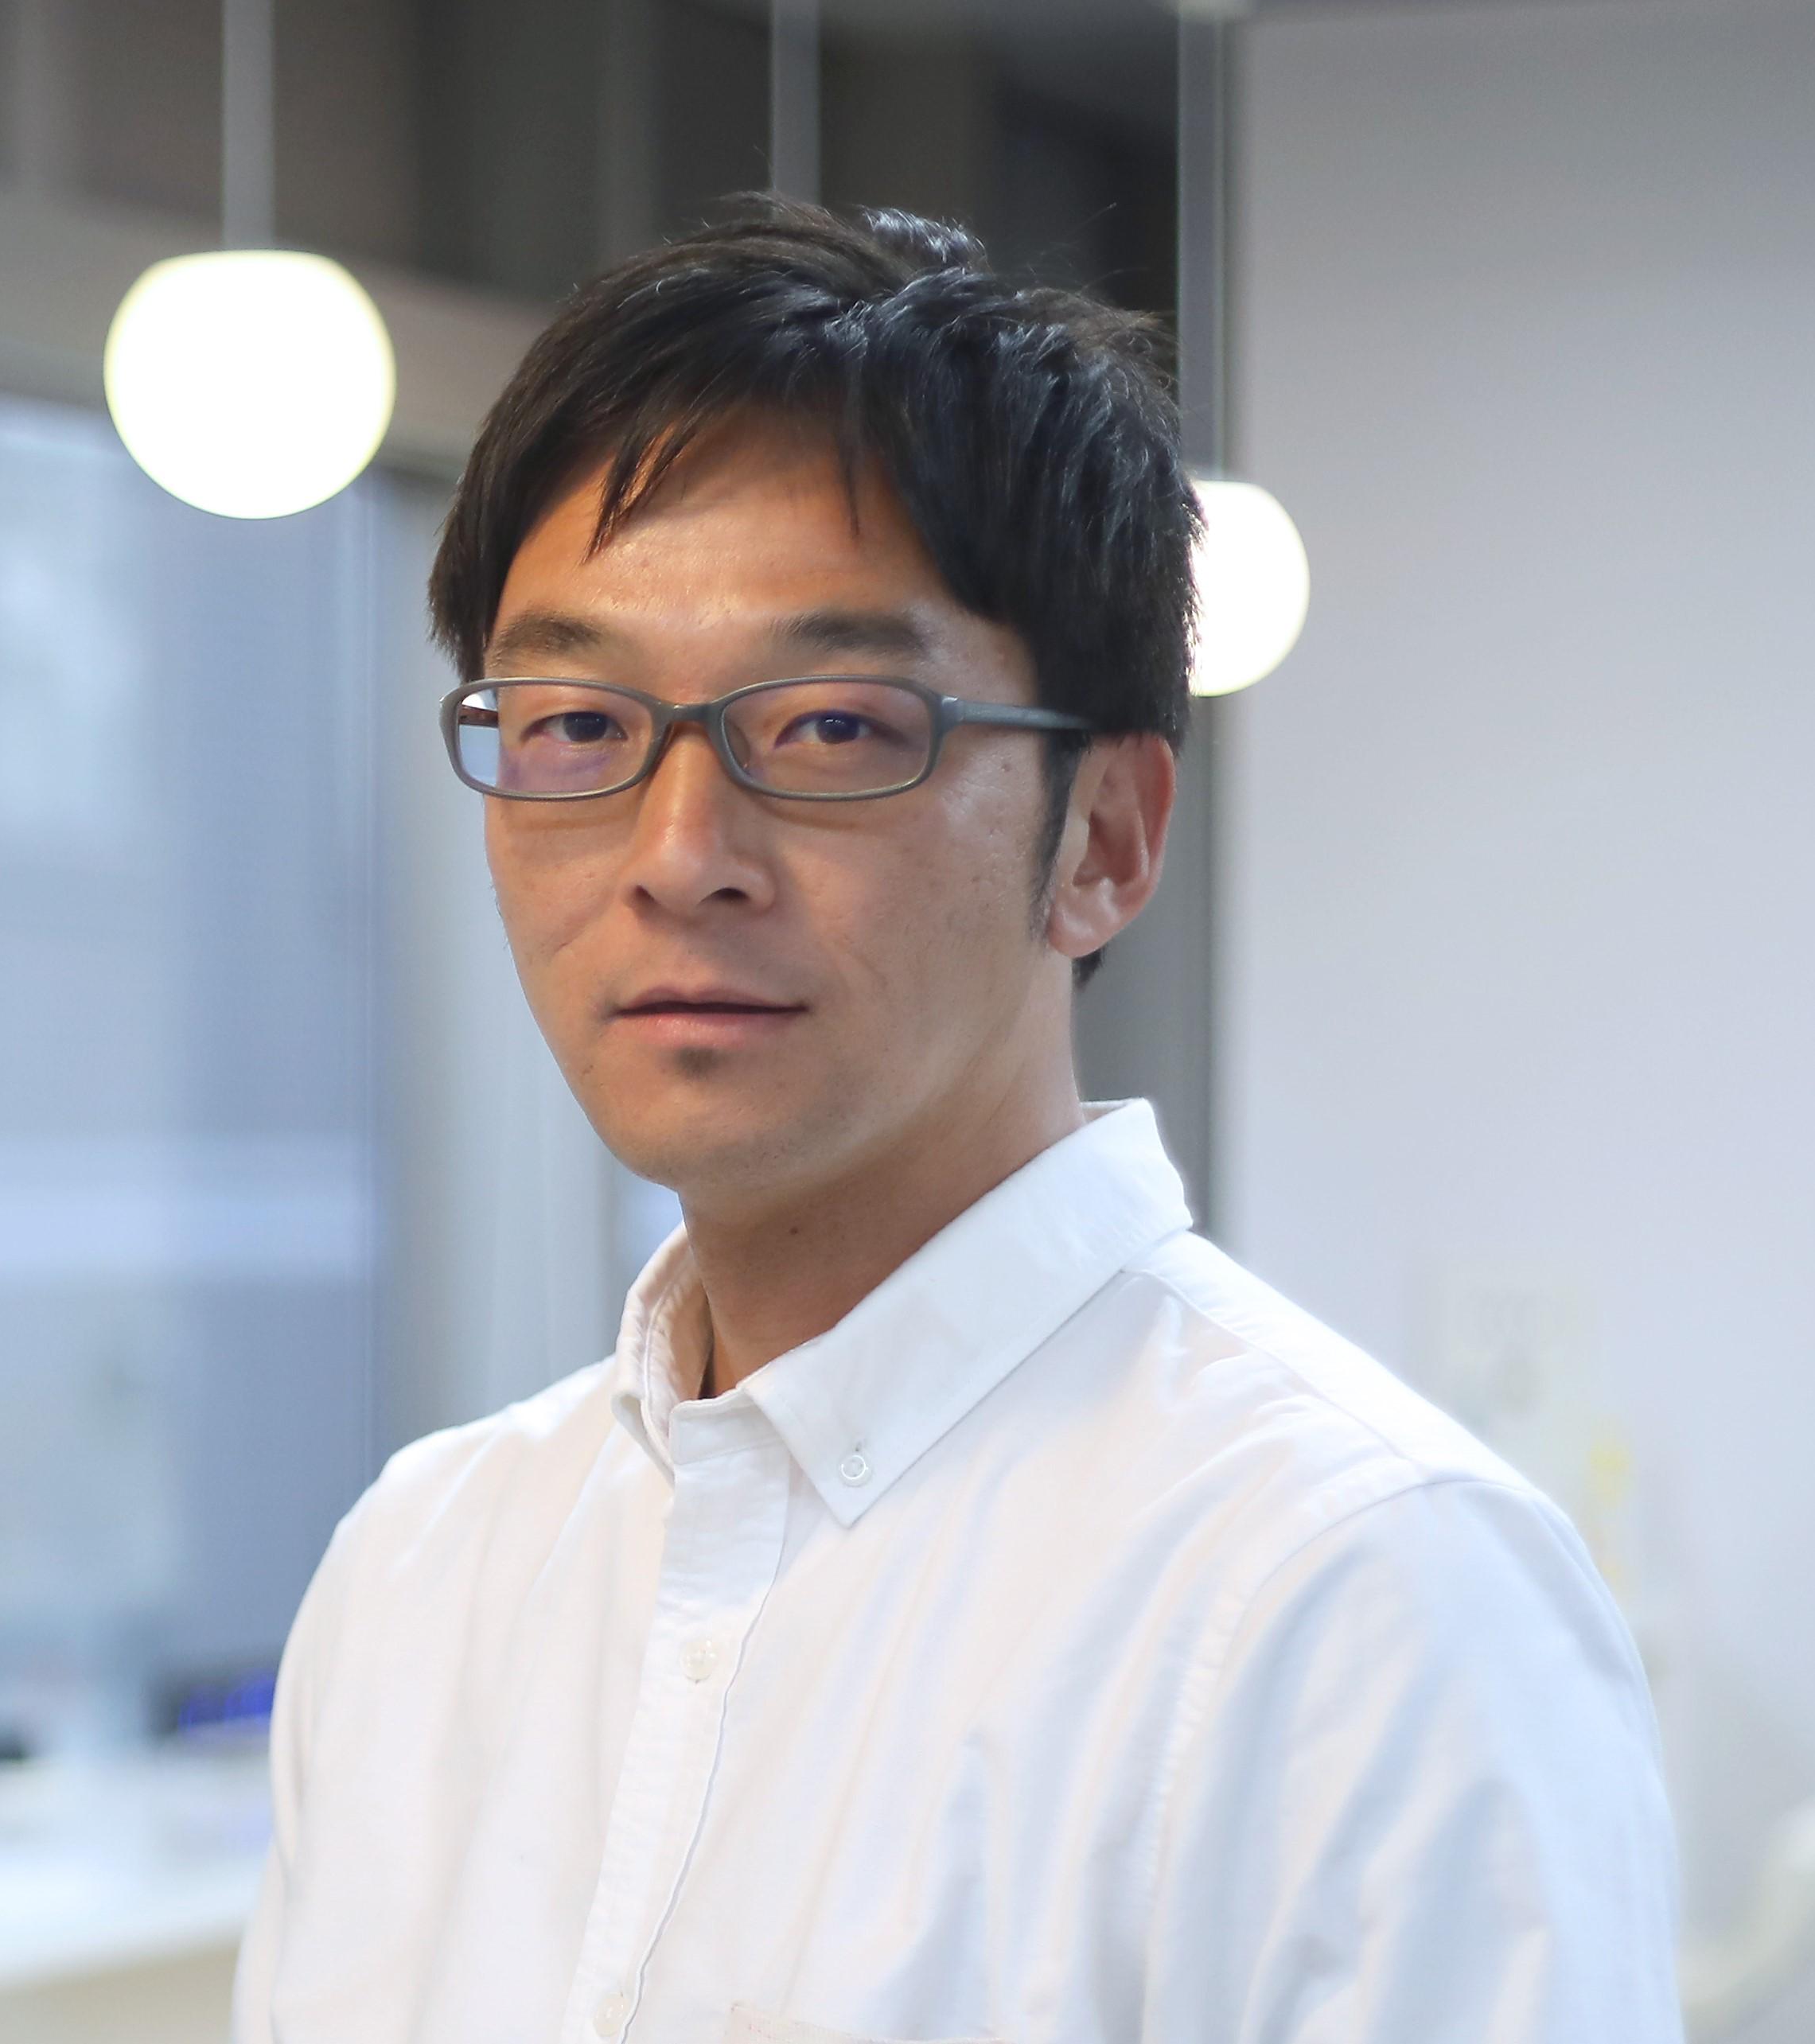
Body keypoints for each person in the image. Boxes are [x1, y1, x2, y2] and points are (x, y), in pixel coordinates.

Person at [232, 199, 1675, 2042]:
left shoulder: (1354, 1593)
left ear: (1105, 838)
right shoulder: (422, 1567)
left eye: (833, 726)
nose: (677, 856)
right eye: (577, 726)